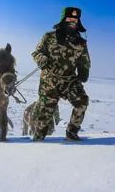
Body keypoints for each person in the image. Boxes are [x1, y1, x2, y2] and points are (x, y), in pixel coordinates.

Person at [31, 7, 91, 141]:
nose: (72, 22)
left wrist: (84, 71)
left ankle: (72, 132)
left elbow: (84, 60)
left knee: (82, 101)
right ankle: (38, 138)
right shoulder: (49, 36)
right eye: (69, 19)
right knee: (45, 113)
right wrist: (42, 59)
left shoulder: (81, 43)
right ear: (63, 19)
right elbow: (36, 53)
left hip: (69, 80)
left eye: (75, 19)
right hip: (49, 81)